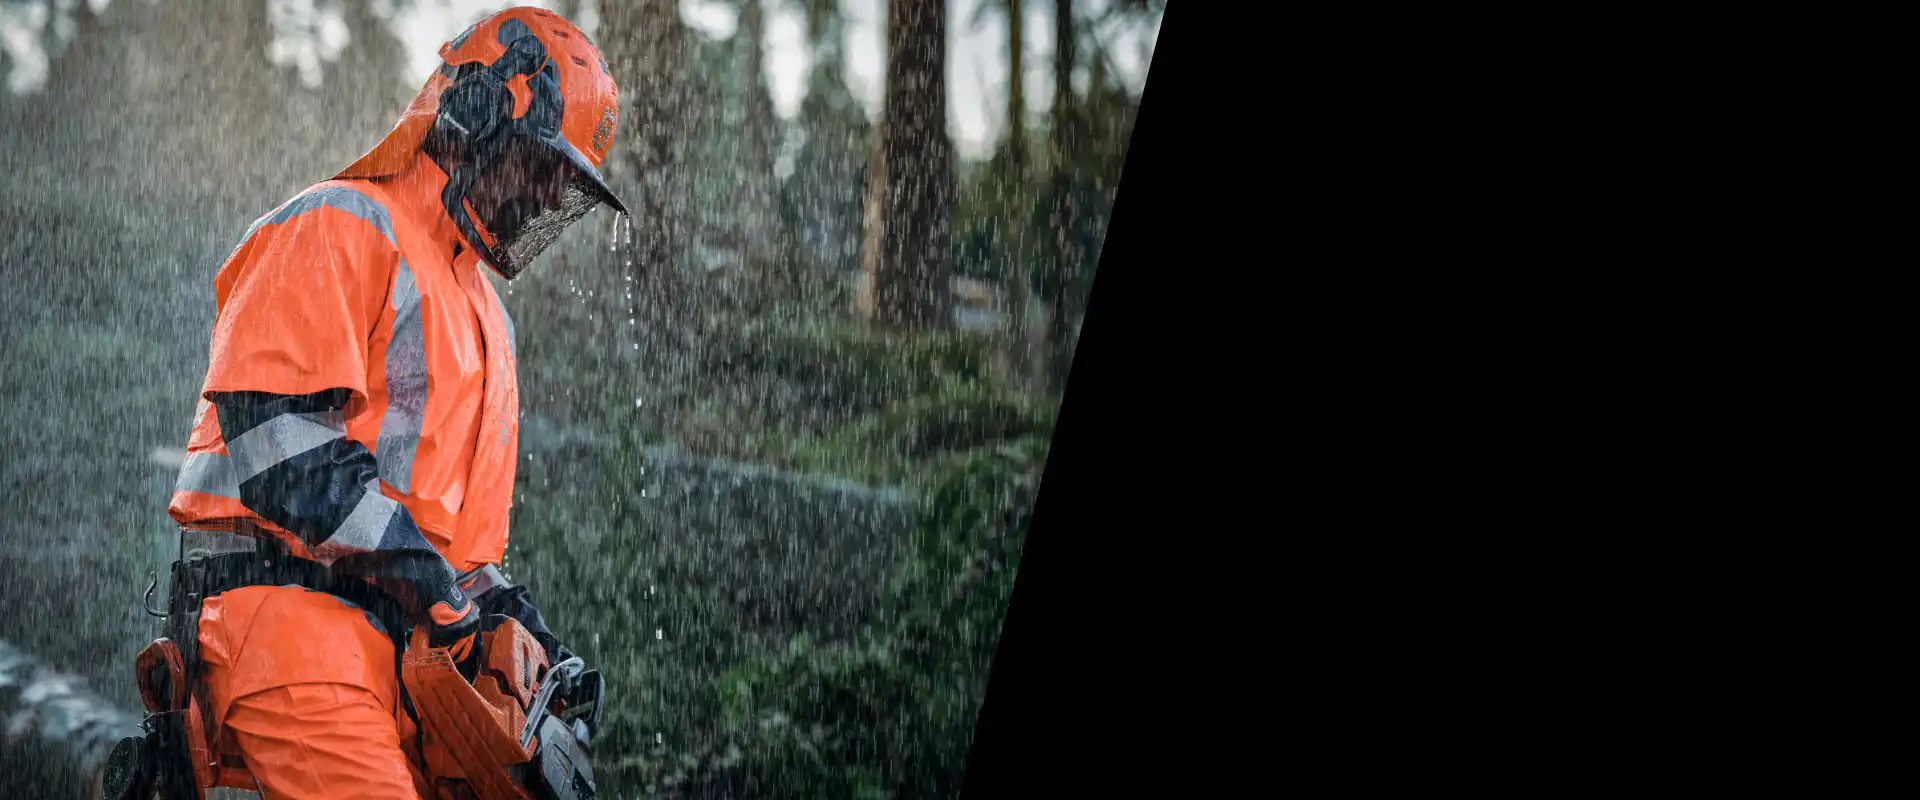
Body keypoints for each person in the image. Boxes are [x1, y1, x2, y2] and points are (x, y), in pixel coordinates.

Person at [161, 7, 623, 797]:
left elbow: (455, 549)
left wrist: (515, 622)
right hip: (288, 629)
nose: (540, 200)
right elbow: (280, 451)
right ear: (474, 113)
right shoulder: (338, 222)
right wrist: (430, 582)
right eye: (536, 170)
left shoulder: (485, 317)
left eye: (558, 187)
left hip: (400, 659)